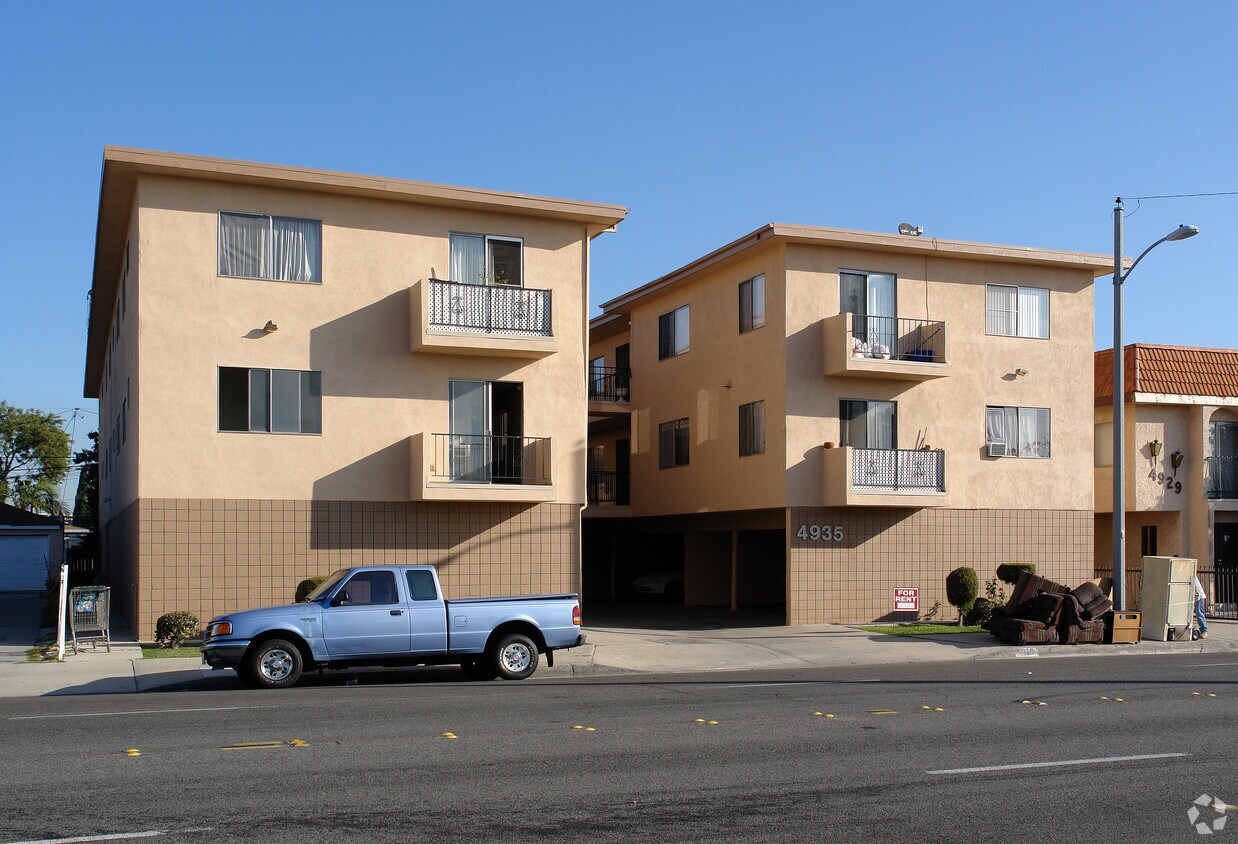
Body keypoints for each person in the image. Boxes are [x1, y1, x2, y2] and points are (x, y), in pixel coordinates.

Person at [1192, 574, 1209, 641]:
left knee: (1199, 613)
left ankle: (1204, 631)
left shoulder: (1191, 574)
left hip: (1199, 596)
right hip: (1195, 596)